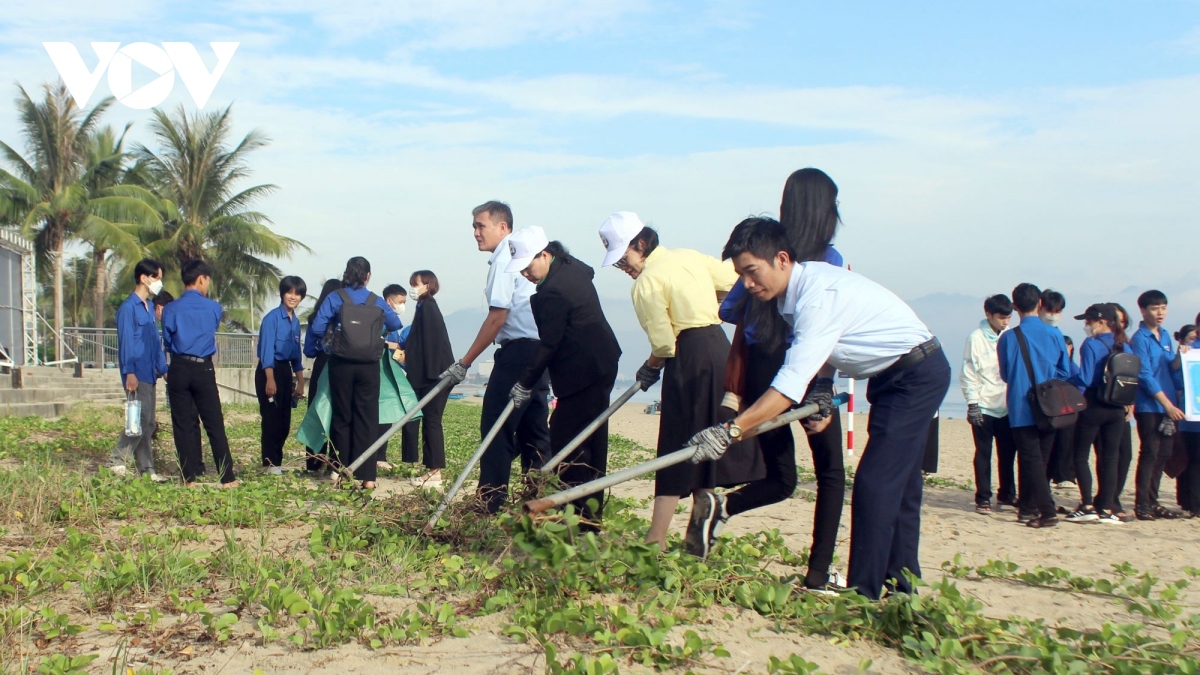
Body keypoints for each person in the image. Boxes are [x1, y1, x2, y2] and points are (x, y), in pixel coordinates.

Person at [689, 218, 949, 600]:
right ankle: (900, 586)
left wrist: (730, 431)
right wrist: (825, 389)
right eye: (740, 274)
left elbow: (788, 387)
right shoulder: (793, 293)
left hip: (916, 374)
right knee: (903, 484)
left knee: (876, 483)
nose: (746, 284)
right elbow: (825, 351)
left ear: (780, 259)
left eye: (751, 272)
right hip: (891, 378)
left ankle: (864, 594)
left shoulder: (817, 297)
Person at [710, 169, 849, 590]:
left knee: (783, 477)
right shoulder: (828, 258)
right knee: (830, 474)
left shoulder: (768, 251)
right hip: (803, 372)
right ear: (826, 209)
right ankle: (817, 574)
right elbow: (832, 327)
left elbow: (728, 310)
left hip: (760, 373)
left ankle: (723, 505)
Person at [599, 211, 762, 554]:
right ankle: (698, 531)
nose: (623, 268)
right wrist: (711, 303)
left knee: (675, 446)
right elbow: (736, 282)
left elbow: (663, 343)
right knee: (709, 439)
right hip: (721, 349)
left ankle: (655, 538)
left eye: (624, 258)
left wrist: (650, 367)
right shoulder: (688, 257)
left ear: (641, 244)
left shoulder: (646, 283)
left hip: (688, 358)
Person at [437, 202, 552, 513]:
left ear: (503, 228)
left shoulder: (506, 258)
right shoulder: (517, 258)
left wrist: (465, 361)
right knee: (533, 430)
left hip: (518, 354)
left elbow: (497, 317)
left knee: (496, 427)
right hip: (539, 353)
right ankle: (539, 501)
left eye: (480, 226)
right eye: (473, 227)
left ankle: (490, 501)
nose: (475, 233)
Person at [505, 228, 621, 525]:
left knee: (570, 444)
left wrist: (524, 383)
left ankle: (580, 516)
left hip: (583, 371)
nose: (527, 275)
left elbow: (549, 344)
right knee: (590, 439)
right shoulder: (570, 266)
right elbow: (588, 270)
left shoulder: (551, 292)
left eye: (529, 267)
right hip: (603, 363)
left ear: (545, 254)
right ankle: (587, 514)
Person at [309, 257, 401, 489]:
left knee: (342, 416)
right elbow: (395, 323)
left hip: (341, 364)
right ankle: (368, 476)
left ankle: (341, 469)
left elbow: (317, 327)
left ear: (346, 274)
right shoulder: (377, 301)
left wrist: (333, 342)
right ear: (368, 276)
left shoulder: (335, 298)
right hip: (369, 365)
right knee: (368, 418)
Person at [996, 282, 1070, 528]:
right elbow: (1064, 370)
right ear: (1040, 303)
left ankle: (1045, 511)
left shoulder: (1008, 337)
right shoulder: (1055, 333)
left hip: (1021, 403)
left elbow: (1005, 374)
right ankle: (1028, 507)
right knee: (1041, 459)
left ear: (1015, 306)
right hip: (1050, 404)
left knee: (1030, 459)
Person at [162, 259, 238, 487]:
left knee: (183, 424)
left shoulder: (171, 308)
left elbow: (167, 340)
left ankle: (189, 477)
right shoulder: (213, 307)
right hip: (203, 367)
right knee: (214, 422)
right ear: (201, 279)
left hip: (179, 366)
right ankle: (227, 477)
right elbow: (210, 329)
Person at [1065, 303, 1130, 524]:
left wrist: (1063, 381)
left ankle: (1087, 504)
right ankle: (1108, 508)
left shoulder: (1091, 344)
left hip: (1094, 404)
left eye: (1088, 321)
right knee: (1110, 458)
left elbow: (1085, 378)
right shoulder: (1124, 345)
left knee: (1081, 455)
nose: (1086, 325)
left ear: (1101, 322)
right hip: (1117, 407)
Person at [106, 258, 169, 482]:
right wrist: (129, 372)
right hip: (136, 373)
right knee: (138, 420)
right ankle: (117, 459)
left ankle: (147, 470)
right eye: (156, 278)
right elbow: (126, 343)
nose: (158, 283)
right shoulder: (128, 308)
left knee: (149, 422)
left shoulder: (150, 308)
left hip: (150, 372)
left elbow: (154, 342)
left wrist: (163, 369)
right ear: (144, 278)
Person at [1130, 290, 1185, 521]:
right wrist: (1166, 404)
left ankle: (1153, 502)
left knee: (1164, 454)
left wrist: (1181, 358)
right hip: (1150, 406)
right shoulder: (1140, 339)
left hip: (1168, 405)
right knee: (1150, 453)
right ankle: (1142, 504)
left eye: (1163, 307)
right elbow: (1145, 375)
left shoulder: (1164, 336)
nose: (1160, 312)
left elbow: (1169, 370)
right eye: (1154, 308)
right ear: (1143, 311)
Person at [962, 294, 1016, 514]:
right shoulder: (975, 338)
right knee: (983, 453)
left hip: (1007, 404)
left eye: (1008, 317)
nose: (1005, 321)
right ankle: (983, 497)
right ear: (988, 314)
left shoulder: (1010, 336)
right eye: (1001, 317)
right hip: (983, 404)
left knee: (1008, 453)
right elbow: (968, 372)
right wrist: (972, 403)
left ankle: (1007, 494)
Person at [401, 270, 455, 487]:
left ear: (428, 285)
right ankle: (431, 470)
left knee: (432, 422)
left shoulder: (429, 307)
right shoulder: (422, 307)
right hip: (430, 375)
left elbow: (433, 346)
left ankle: (435, 473)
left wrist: (430, 378)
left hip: (434, 376)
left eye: (417, 284)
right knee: (429, 422)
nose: (413, 288)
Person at [255, 276, 306, 475]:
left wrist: (300, 382)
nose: (293, 297)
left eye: (297, 293)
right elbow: (266, 352)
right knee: (271, 419)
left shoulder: (295, 322)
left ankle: (277, 461)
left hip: (285, 372)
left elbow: (297, 357)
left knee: (284, 420)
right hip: (270, 370)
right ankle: (270, 462)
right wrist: (270, 379)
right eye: (289, 292)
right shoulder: (271, 319)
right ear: (282, 293)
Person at [303, 279, 342, 474]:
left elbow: (309, 350)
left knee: (316, 412)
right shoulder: (345, 316)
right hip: (341, 364)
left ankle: (313, 462)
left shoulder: (314, 319)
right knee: (339, 413)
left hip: (321, 364)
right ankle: (336, 463)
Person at [375, 283, 408, 470]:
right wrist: (391, 346)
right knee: (376, 415)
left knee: (387, 416)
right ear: (389, 301)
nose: (402, 305)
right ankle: (374, 456)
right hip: (377, 371)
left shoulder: (394, 324)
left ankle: (381, 456)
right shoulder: (379, 317)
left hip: (390, 372)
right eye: (400, 302)